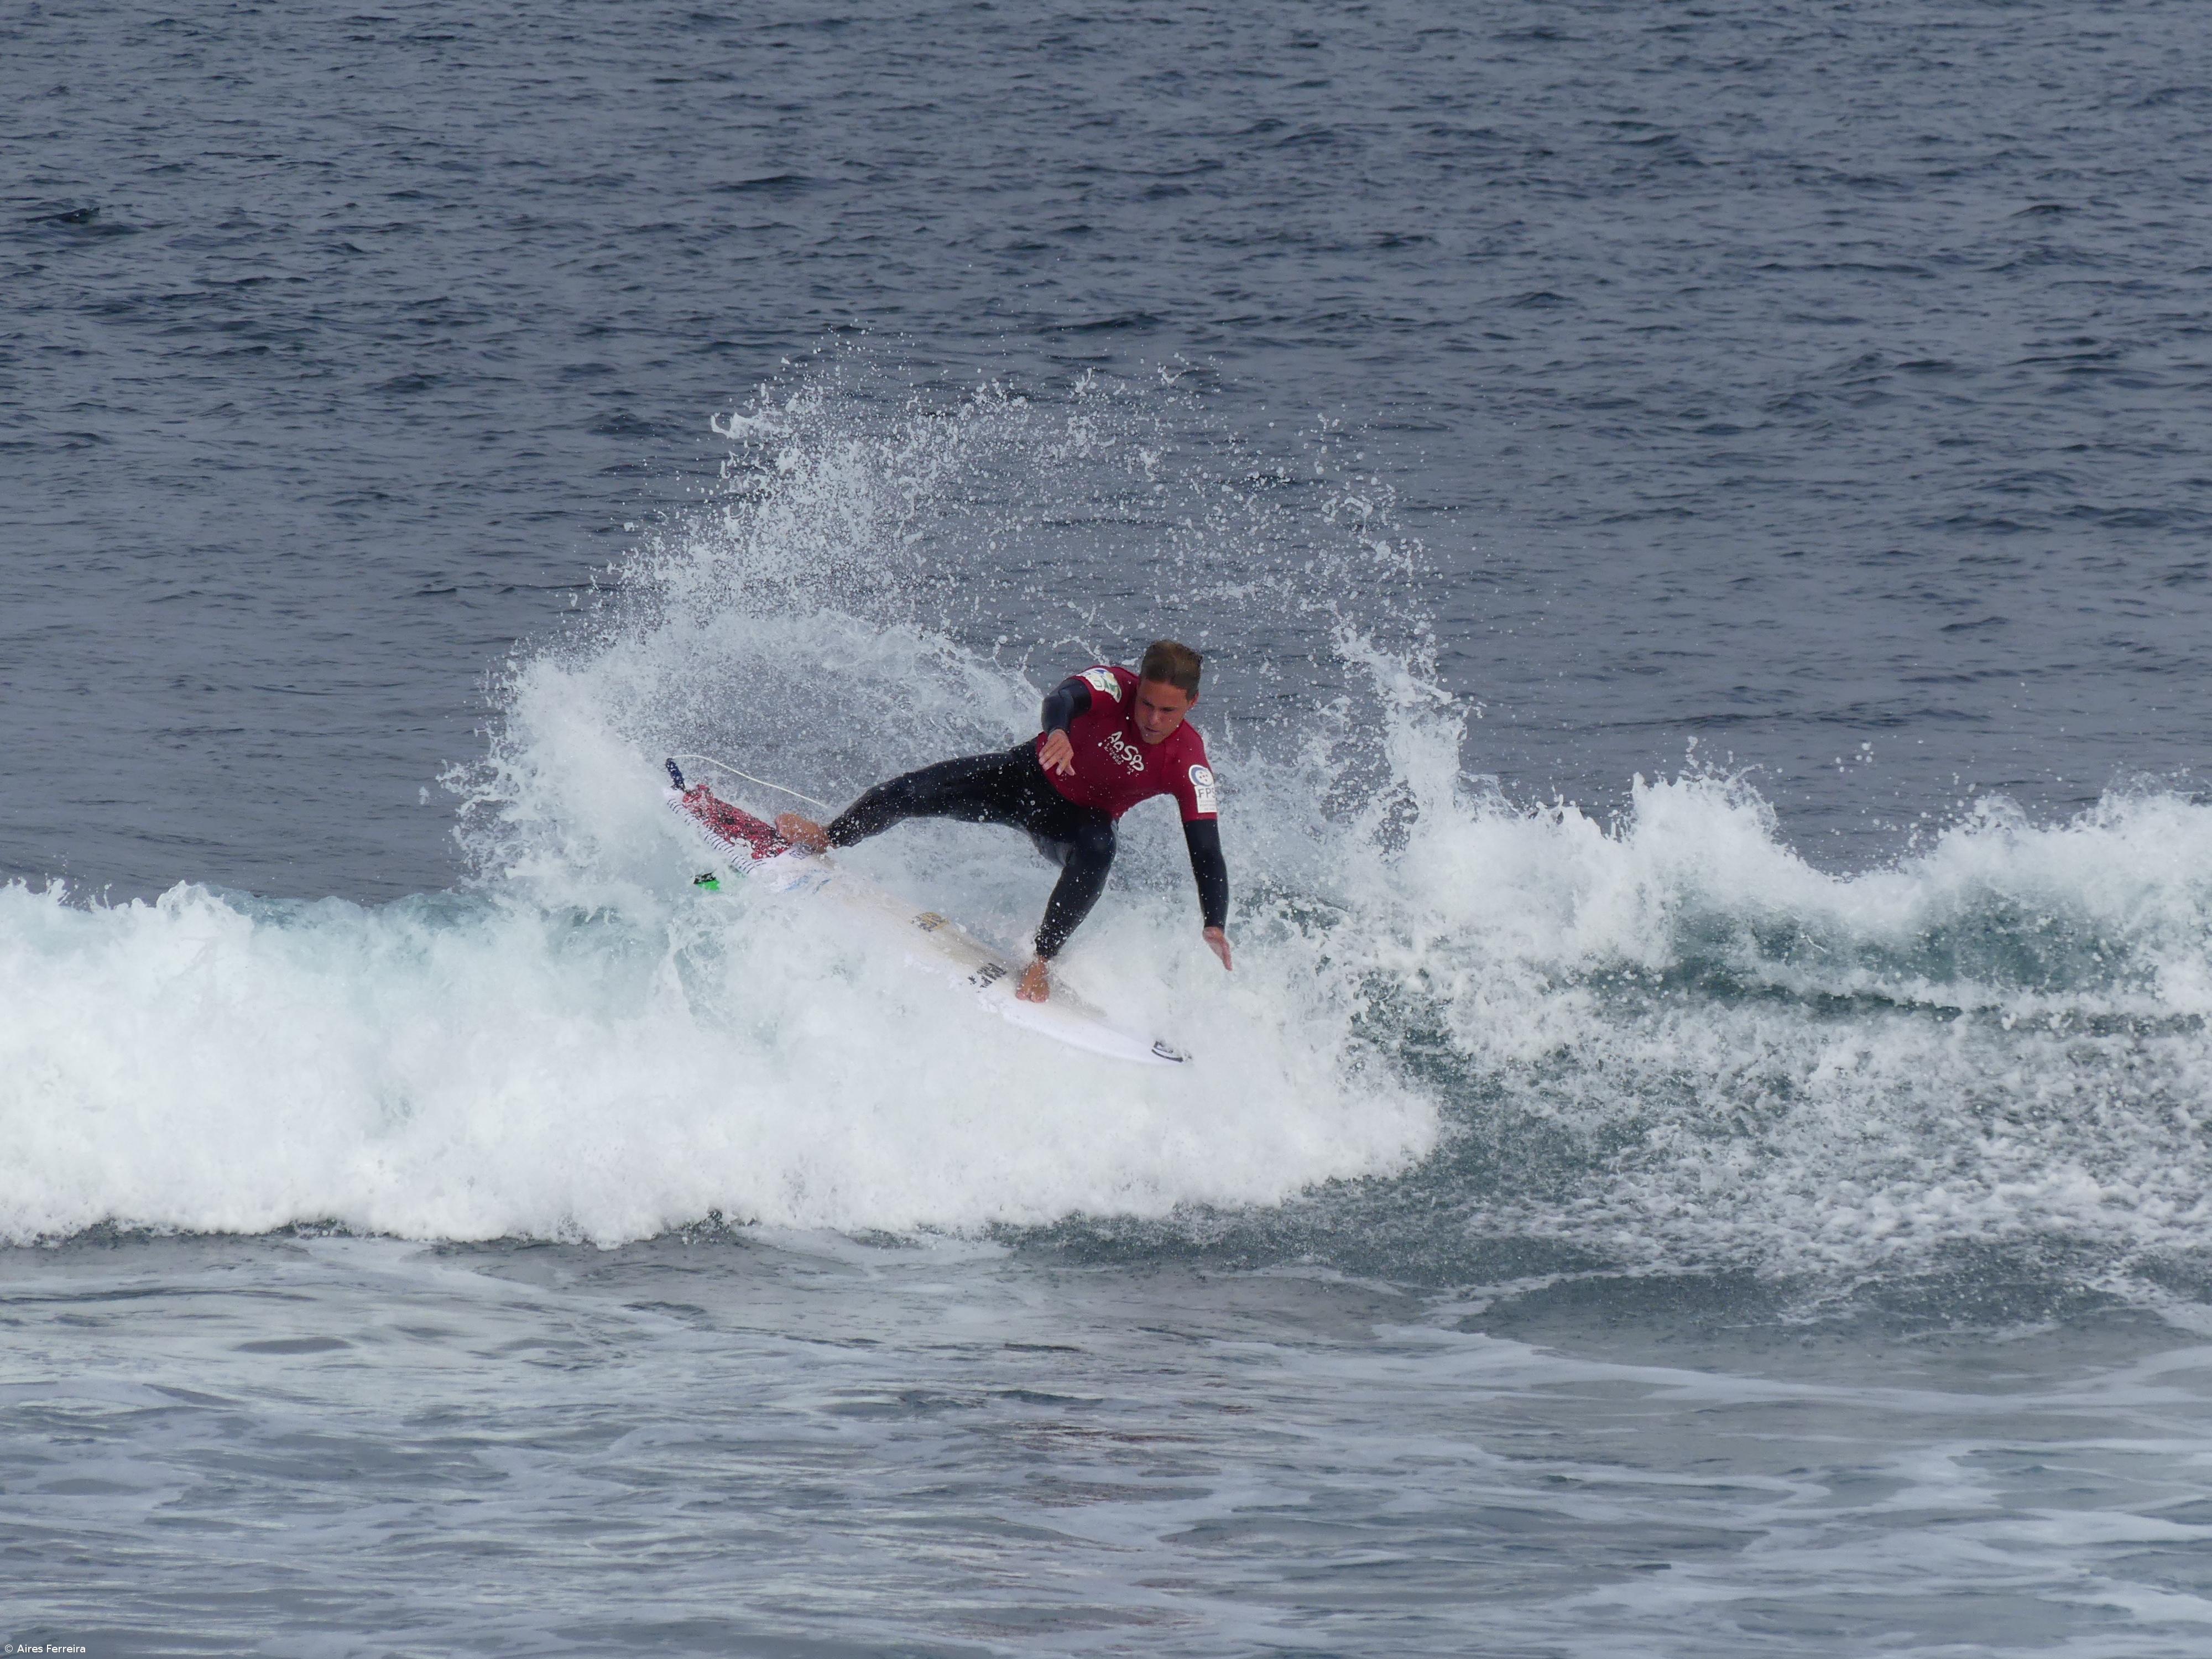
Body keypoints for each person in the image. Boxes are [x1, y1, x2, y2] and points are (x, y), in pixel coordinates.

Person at [775, 640, 1231, 1003]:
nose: (1152, 719)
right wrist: (1058, 733)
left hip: (1072, 826)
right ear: (1139, 687)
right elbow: (1061, 699)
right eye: (1147, 704)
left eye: (1167, 711)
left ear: (1192, 702)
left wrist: (1215, 920)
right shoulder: (1115, 686)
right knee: (913, 791)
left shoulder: (1189, 764)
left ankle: (1042, 959)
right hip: (1022, 781)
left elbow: (1206, 849)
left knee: (1099, 849)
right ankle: (828, 837)